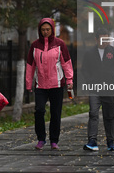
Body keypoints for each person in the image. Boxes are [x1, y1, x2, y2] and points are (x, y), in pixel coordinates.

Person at [25, 18, 74, 150]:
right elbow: (30, 65)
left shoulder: (60, 44)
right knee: (39, 110)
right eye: (43, 30)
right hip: (40, 84)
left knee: (55, 113)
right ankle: (41, 139)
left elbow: (66, 63)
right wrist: (28, 83)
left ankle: (54, 140)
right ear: (39, 30)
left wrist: (69, 80)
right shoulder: (34, 45)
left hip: (57, 84)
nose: (45, 32)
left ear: (52, 29)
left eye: (48, 29)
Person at [81, 28, 114, 151]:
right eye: (102, 39)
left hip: (110, 89)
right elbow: (84, 70)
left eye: (107, 39)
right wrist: (90, 81)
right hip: (95, 89)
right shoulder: (89, 53)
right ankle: (92, 141)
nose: (105, 41)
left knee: (109, 116)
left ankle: (110, 142)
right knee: (93, 114)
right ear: (96, 39)